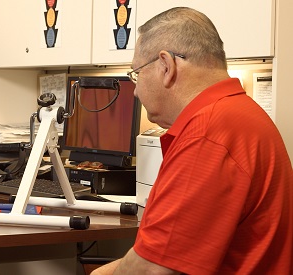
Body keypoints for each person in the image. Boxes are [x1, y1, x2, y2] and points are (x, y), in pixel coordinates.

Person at [92, 7, 292, 275]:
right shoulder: (240, 114)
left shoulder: (208, 135)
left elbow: (154, 269)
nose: (136, 90)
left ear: (166, 66)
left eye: (137, 74)